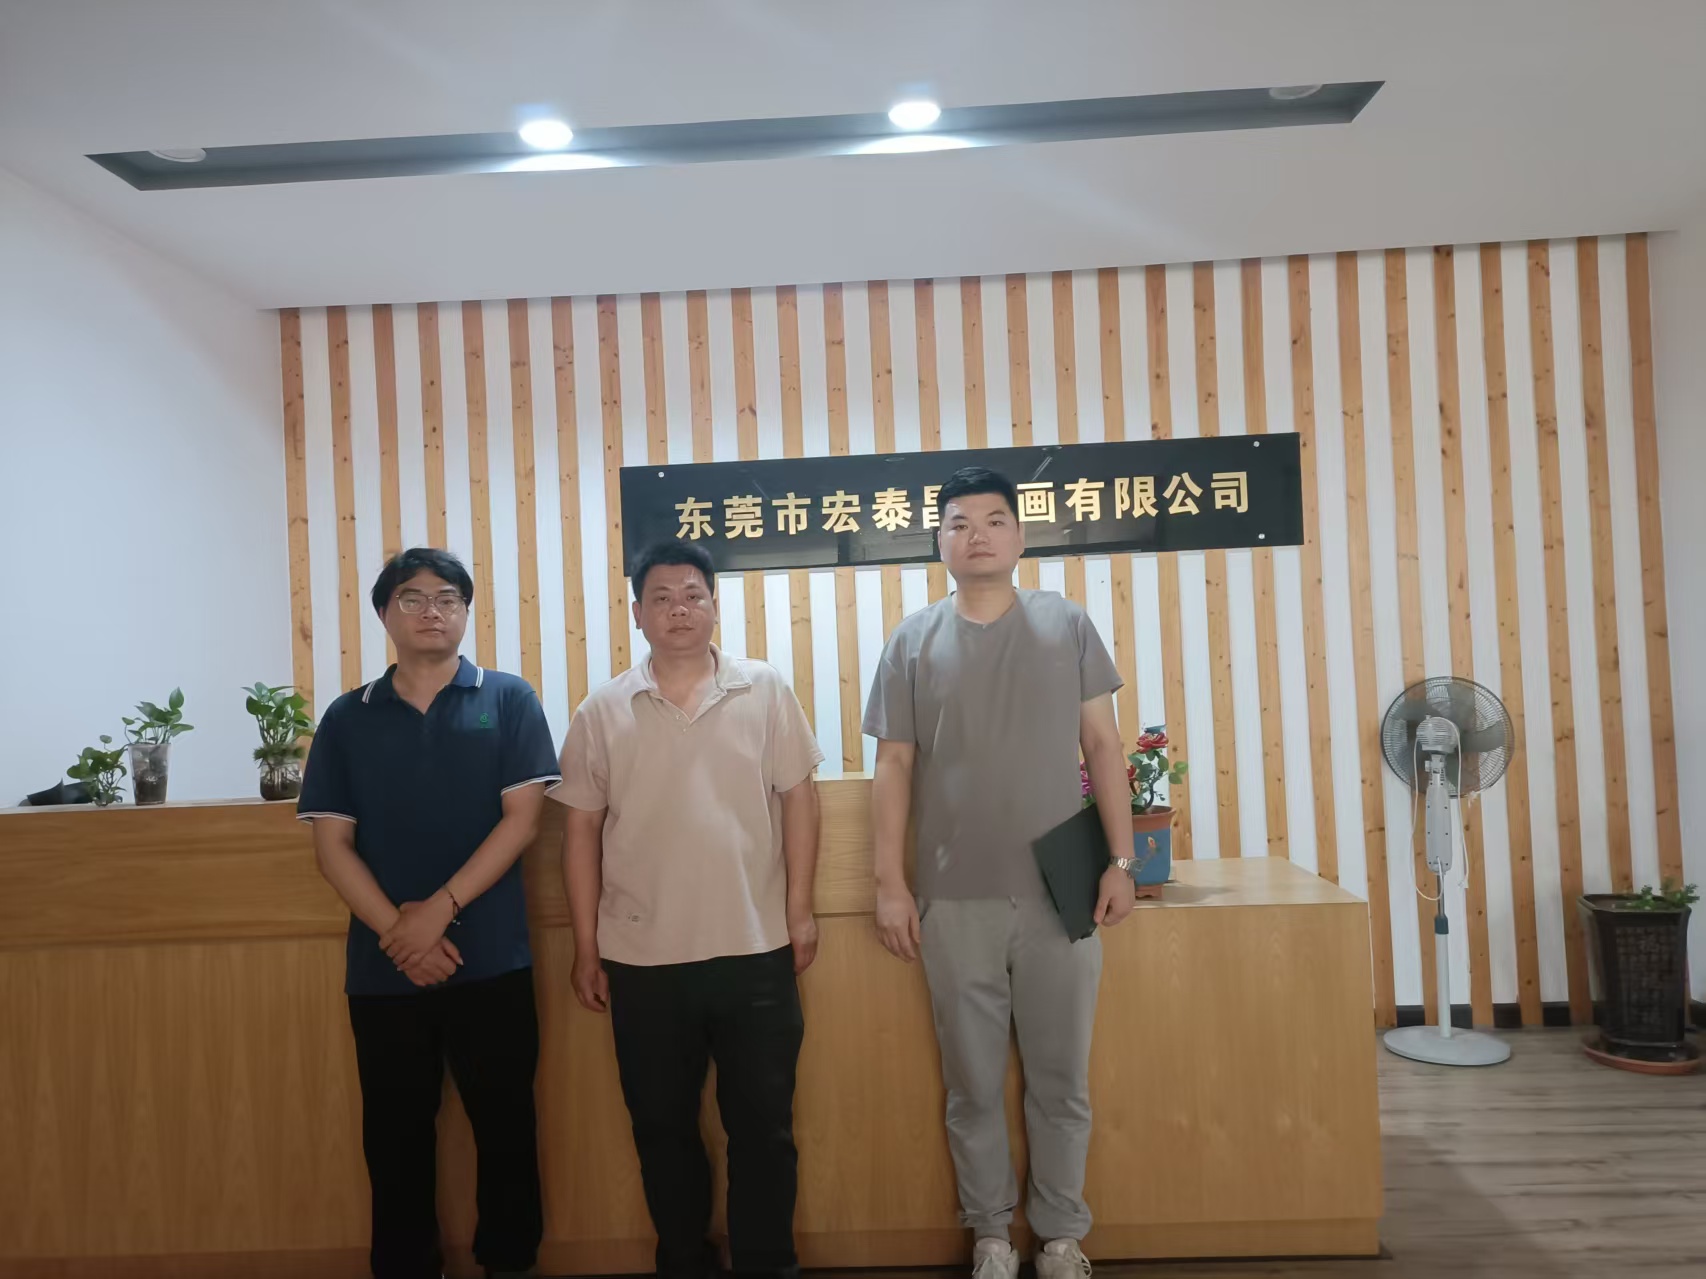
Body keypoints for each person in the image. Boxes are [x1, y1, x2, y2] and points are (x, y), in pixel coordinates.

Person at [862, 467, 1138, 1279]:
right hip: (952, 896)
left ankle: (1060, 1236)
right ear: (939, 541)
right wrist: (888, 882)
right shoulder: (912, 640)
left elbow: (1104, 746)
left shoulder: (1067, 624)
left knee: (1061, 1079)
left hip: (1063, 889)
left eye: (992, 519)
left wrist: (1122, 861)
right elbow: (893, 767)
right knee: (971, 1082)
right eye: (958, 522)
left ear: (1019, 535)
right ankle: (990, 1233)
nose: (975, 534)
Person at [555, 539, 823, 1279]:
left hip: (756, 948)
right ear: (637, 612)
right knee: (662, 1129)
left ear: (714, 605)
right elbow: (579, 834)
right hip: (641, 958)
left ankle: (766, 1263)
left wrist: (800, 910)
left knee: (764, 1130)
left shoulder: (763, 687)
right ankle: (683, 1260)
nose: (679, 609)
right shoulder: (602, 708)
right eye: (662, 597)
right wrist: (586, 946)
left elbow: (800, 800)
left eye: (693, 595)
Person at [297, 547, 561, 1279]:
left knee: (506, 1130)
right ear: (385, 613)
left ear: (465, 612)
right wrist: (400, 933)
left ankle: (510, 1264)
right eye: (412, 598)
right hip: (384, 971)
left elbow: (522, 822)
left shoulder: (509, 698)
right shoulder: (348, 717)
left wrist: (435, 912)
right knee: (394, 1139)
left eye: (447, 598)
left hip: (493, 959)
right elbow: (332, 847)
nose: (431, 611)